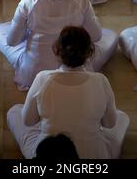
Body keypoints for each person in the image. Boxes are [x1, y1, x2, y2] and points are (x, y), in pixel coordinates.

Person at [0, 0, 118, 90]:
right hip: (75, 67)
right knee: (111, 36)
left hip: (33, 74)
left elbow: (12, 41)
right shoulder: (81, 0)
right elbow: (96, 36)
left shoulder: (28, 3)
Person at [7, 26, 130, 159]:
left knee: (14, 112)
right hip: (95, 154)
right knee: (122, 117)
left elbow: (28, 121)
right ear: (90, 52)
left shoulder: (42, 78)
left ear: (57, 51)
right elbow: (110, 124)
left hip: (48, 155)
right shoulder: (101, 80)